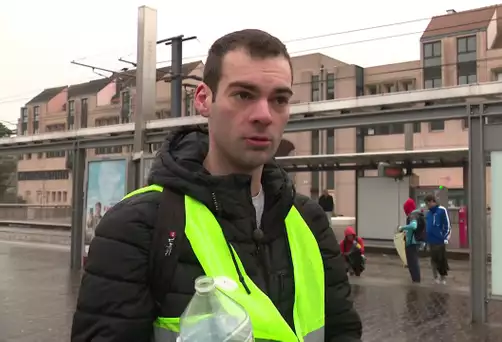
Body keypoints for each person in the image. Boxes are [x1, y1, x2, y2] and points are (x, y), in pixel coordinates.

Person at [71, 29, 362, 342]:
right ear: (203, 99)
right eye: (243, 95)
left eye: (279, 99)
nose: (264, 115)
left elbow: (342, 332)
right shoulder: (136, 226)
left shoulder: (309, 221)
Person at [424, 193, 451, 285]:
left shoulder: (441, 210)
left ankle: (443, 277)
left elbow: (447, 225)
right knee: (433, 260)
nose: (427, 205)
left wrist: (445, 237)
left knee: (441, 260)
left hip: (439, 240)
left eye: (428, 203)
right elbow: (427, 226)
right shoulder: (428, 213)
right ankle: (435, 277)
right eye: (426, 203)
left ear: (433, 201)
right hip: (430, 240)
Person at [399, 198, 422, 283]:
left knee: (413, 262)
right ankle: (416, 279)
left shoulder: (413, 215)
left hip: (412, 242)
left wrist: (402, 228)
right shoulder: (417, 214)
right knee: (413, 261)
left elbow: (413, 226)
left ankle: (416, 280)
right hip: (415, 241)